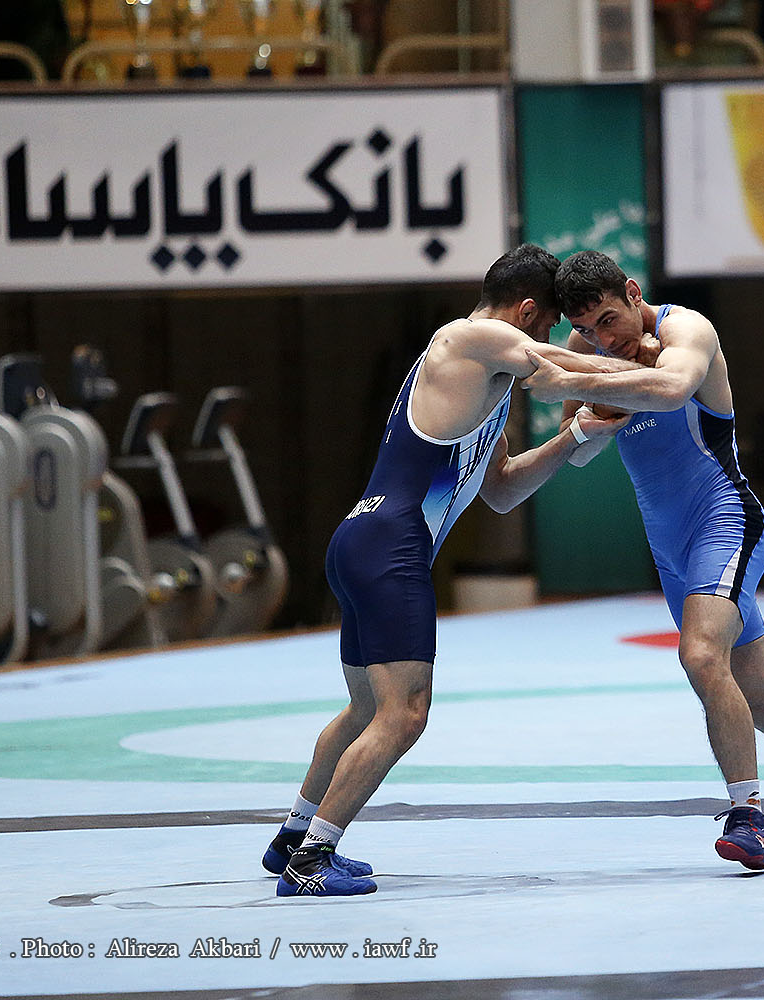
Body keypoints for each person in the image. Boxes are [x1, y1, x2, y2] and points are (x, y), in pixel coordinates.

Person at [521, 249, 764, 869]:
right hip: (670, 546)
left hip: (726, 521)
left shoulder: (687, 329)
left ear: (633, 293)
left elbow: (673, 388)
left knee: (701, 654)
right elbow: (577, 453)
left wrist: (576, 380)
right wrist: (590, 424)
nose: (603, 338)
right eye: (587, 329)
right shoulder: (589, 352)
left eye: (609, 320)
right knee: (762, 699)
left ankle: (747, 816)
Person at [266, 244, 631, 897]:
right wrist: (650, 365)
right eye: (551, 322)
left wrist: (576, 436)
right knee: (405, 714)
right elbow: (560, 367)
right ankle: (312, 859)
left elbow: (503, 489)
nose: (551, 336)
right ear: (527, 310)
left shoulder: (483, 384)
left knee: (364, 711)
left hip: (367, 540)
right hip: (391, 546)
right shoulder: (469, 335)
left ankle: (294, 836)